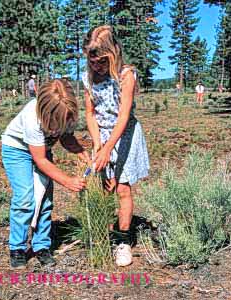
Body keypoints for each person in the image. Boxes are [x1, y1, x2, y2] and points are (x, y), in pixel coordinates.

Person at [1, 79, 90, 269]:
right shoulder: (32, 117)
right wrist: (67, 181)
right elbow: (41, 160)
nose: (60, 125)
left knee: (45, 201)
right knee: (25, 198)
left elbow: (66, 137)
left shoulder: (66, 112)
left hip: (42, 150)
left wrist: (80, 152)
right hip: (17, 150)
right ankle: (17, 247)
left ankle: (41, 246)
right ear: (46, 112)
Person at [82, 25, 150, 267]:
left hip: (124, 136)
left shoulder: (126, 76)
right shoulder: (87, 78)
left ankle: (123, 240)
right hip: (103, 137)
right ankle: (104, 232)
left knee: (122, 188)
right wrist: (98, 144)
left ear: (113, 54)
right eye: (92, 62)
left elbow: (122, 116)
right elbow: (90, 114)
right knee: (103, 186)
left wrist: (109, 147)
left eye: (101, 62)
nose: (96, 67)